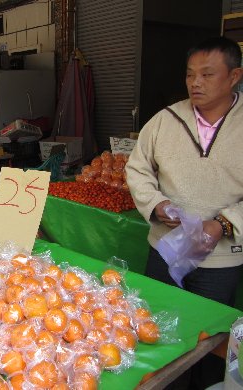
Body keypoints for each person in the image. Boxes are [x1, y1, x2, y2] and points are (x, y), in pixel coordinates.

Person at [126, 36, 243, 388]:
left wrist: (224, 223)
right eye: (191, 74)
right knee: (156, 331)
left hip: (220, 261)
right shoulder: (165, 121)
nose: (196, 82)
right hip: (165, 248)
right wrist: (156, 204)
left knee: (208, 341)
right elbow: (137, 169)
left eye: (208, 75)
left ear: (234, 76)